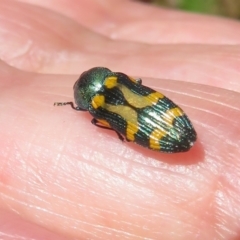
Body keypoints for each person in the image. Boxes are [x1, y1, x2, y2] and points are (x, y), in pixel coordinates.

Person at [0, 0, 240, 239]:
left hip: (158, 126)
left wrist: (117, 130)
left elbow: (94, 120)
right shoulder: (119, 79)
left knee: (97, 120)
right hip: (167, 117)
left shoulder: (96, 110)